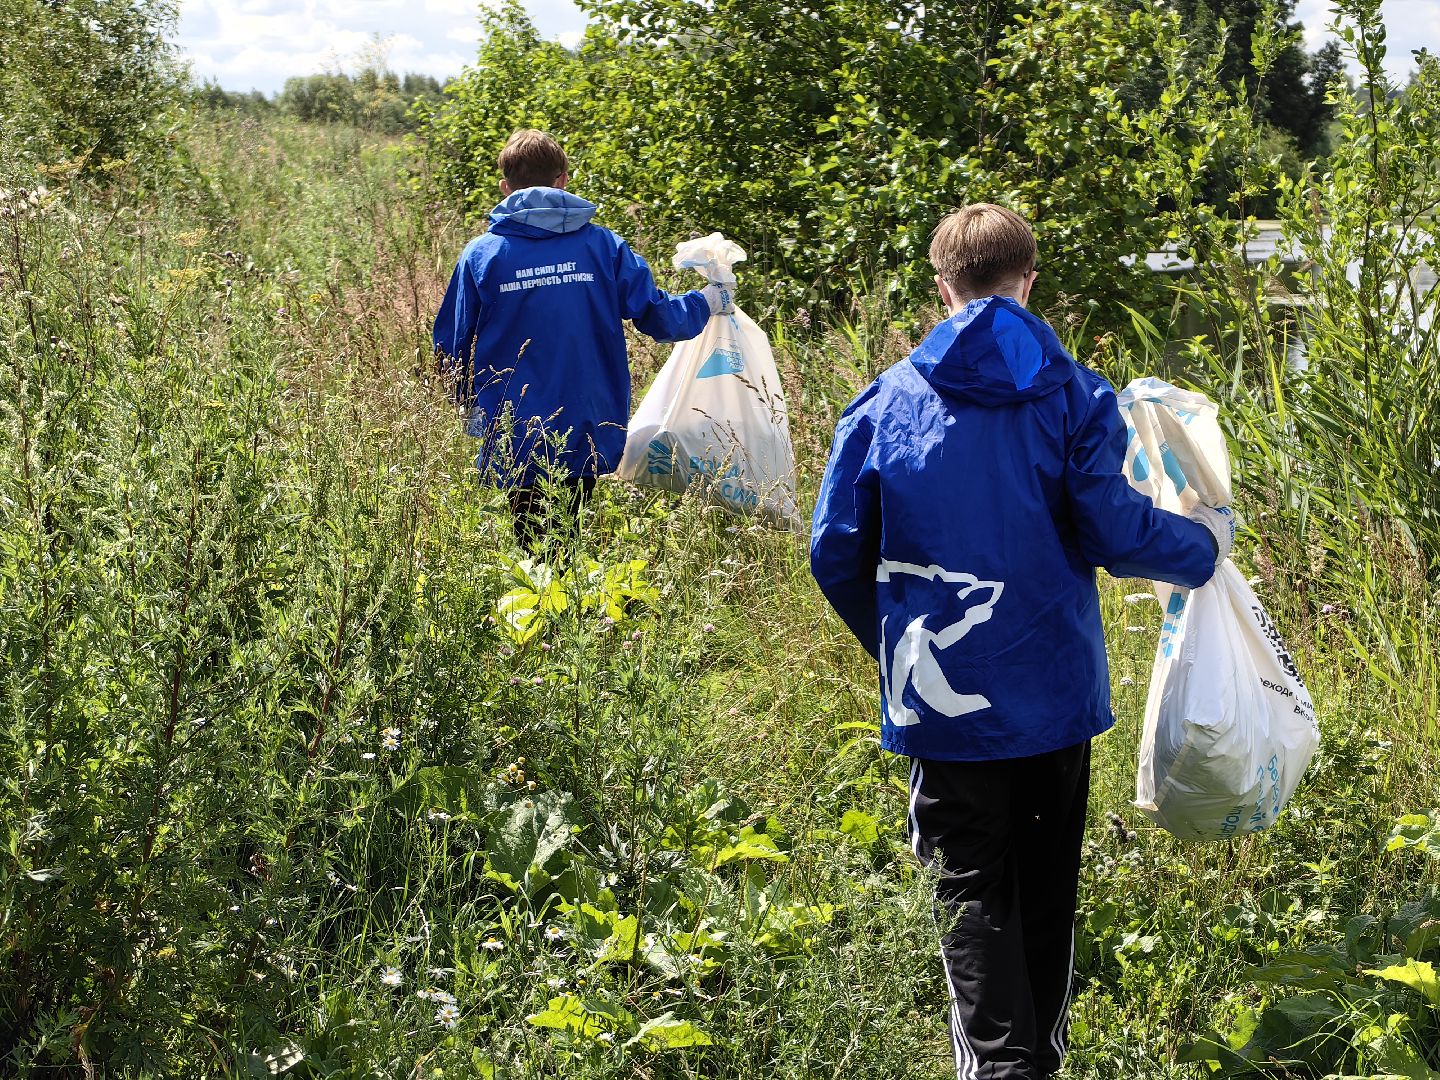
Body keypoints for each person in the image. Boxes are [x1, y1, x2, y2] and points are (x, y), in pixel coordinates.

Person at [809, 203, 1234, 1079]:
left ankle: (1001, 1068)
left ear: (942, 286)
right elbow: (1116, 532)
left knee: (967, 885)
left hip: (944, 704)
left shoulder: (885, 402)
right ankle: (1036, 1057)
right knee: (1046, 881)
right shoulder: (1076, 393)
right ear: (1029, 279)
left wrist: (898, 648)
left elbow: (834, 552)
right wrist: (1205, 546)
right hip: (1053, 695)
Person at [433, 129, 731, 552]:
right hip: (586, 423)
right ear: (563, 179)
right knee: (567, 536)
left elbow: (450, 345)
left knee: (530, 547)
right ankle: (565, 610)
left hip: (514, 428)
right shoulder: (602, 246)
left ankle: (542, 611)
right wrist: (707, 301)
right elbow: (661, 319)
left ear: (505, 187)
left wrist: (466, 408)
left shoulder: (483, 255)